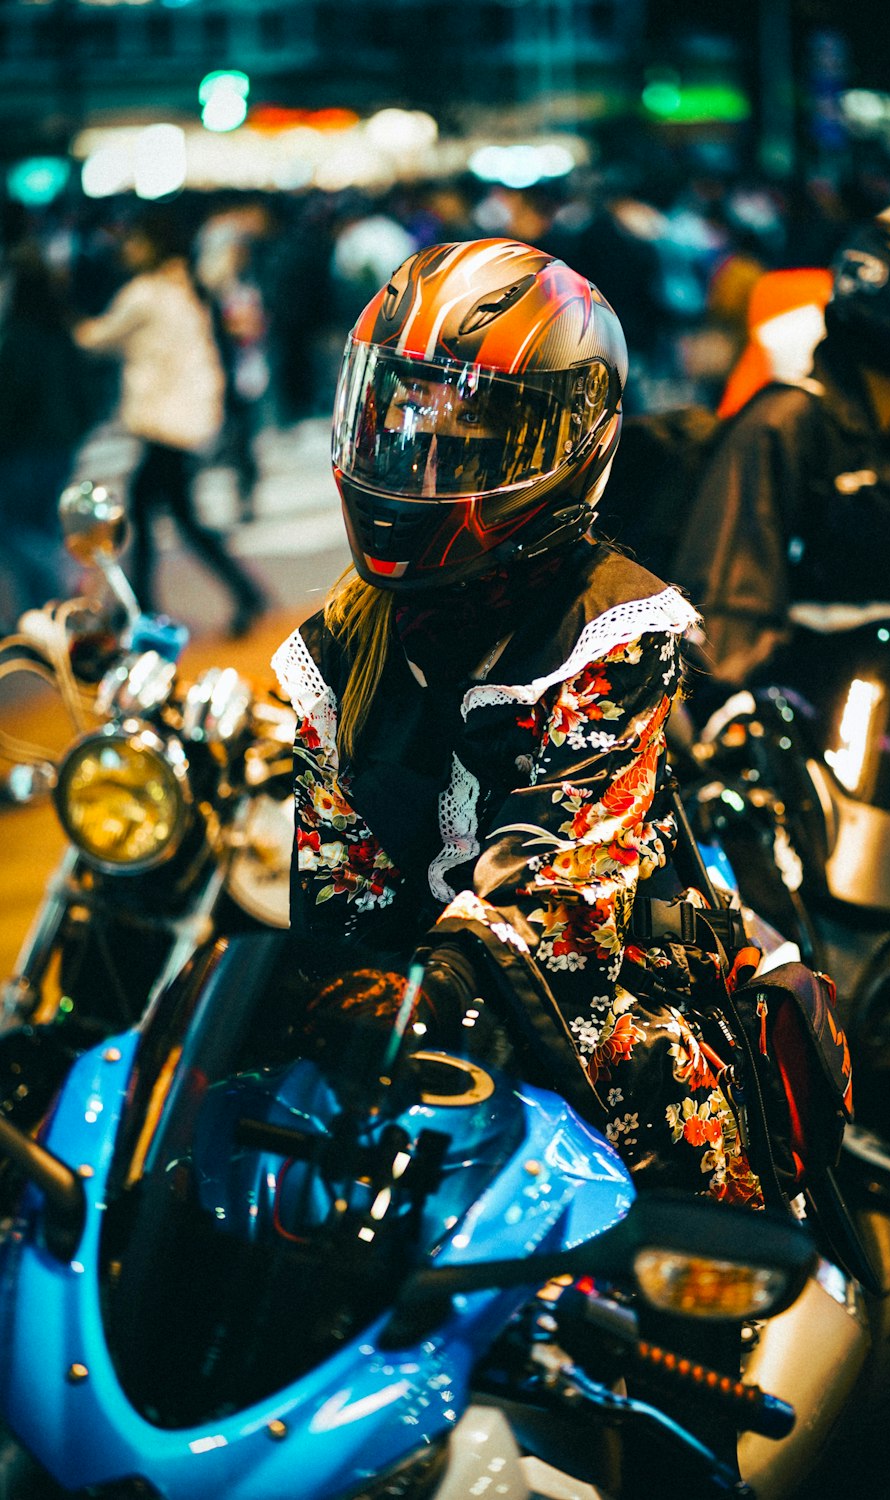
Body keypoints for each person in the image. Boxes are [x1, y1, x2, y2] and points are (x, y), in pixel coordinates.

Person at [271, 238, 765, 1210]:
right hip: (405, 1032)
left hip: (576, 1015)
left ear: (567, 441)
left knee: (655, 1158)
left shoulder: (612, 627)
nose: (419, 456)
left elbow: (562, 893)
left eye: (471, 433)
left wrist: (432, 992)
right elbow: (340, 885)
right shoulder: (338, 642)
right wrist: (328, 986)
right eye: (404, 415)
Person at [673, 199, 890, 692]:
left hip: (886, 734)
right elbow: (727, 624)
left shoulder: (887, 445)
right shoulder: (787, 422)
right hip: (807, 744)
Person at [73, 205, 267, 637]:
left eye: (136, 238)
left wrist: (64, 322)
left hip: (167, 425)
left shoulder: (146, 293)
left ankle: (148, 611)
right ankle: (152, 607)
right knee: (161, 514)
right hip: (189, 421)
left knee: (163, 516)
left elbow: (96, 338)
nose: (129, 245)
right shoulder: (188, 286)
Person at [0, 242, 96, 629]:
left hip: (25, 450)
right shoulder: (61, 330)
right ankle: (41, 614)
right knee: (39, 522)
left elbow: (9, 404)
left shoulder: (18, 341)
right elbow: (88, 392)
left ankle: (57, 589)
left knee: (15, 528)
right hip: (60, 446)